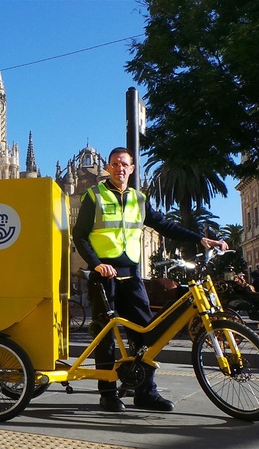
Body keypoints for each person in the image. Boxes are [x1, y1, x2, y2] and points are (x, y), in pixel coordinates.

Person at [72, 147, 228, 413]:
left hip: (131, 275)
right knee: (105, 336)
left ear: (132, 169)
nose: (119, 168)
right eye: (115, 164)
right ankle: (108, 394)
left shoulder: (139, 199)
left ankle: (146, 392)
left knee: (146, 334)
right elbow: (80, 235)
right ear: (108, 168)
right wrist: (97, 265)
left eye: (124, 164)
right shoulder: (93, 196)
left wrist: (200, 238)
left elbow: (164, 225)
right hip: (103, 277)